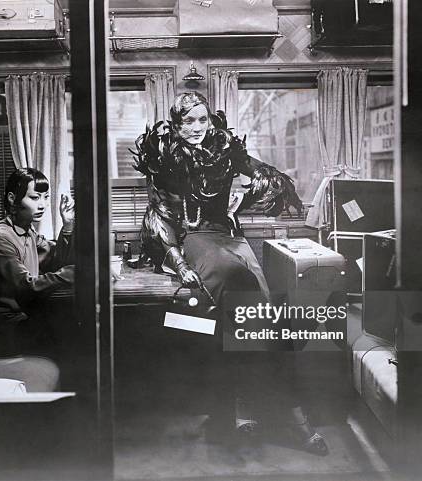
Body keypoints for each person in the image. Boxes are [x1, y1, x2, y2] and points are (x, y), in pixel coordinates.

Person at [132, 92, 327, 455]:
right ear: (176, 124)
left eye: (202, 120)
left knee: (262, 319)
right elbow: (158, 217)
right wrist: (179, 263)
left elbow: (274, 181)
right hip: (195, 240)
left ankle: (247, 407)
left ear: (210, 122)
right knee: (244, 291)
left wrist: (249, 195)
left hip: (231, 238)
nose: (195, 128)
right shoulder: (164, 158)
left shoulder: (225, 149)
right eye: (187, 121)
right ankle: (294, 418)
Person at [0, 168, 75, 357]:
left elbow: (56, 261)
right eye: (35, 197)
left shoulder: (27, 231)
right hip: (2, 330)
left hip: (22, 318)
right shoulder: (0, 239)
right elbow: (27, 287)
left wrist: (68, 225)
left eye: (45, 197)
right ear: (12, 199)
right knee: (73, 332)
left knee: (78, 321)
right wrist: (78, 272)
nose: (43, 205)